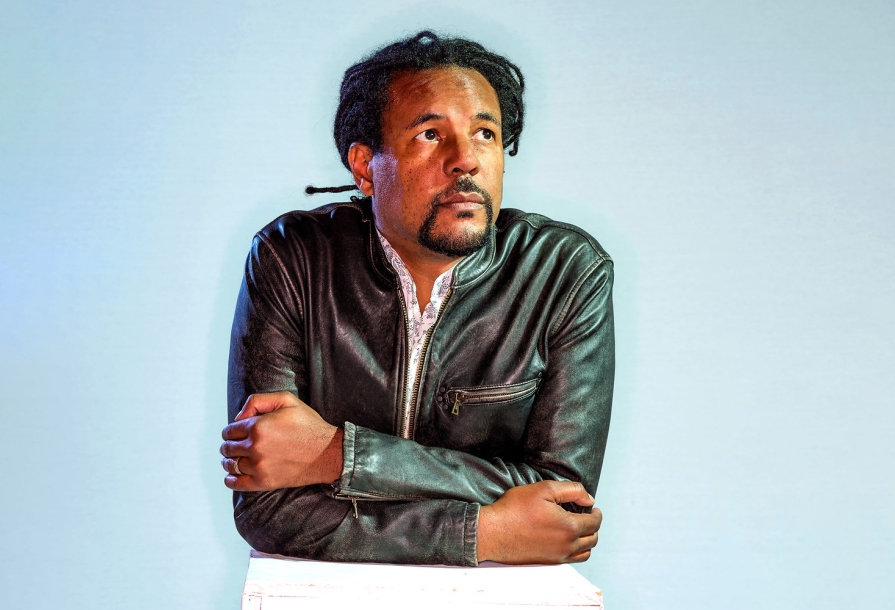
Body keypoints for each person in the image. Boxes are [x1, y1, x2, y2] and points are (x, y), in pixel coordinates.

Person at [217, 31, 613, 567]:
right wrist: (485, 532)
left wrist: (335, 453)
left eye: (485, 134)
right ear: (364, 167)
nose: (466, 161)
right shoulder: (293, 258)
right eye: (431, 133)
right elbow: (267, 507)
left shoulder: (564, 272)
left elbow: (562, 502)